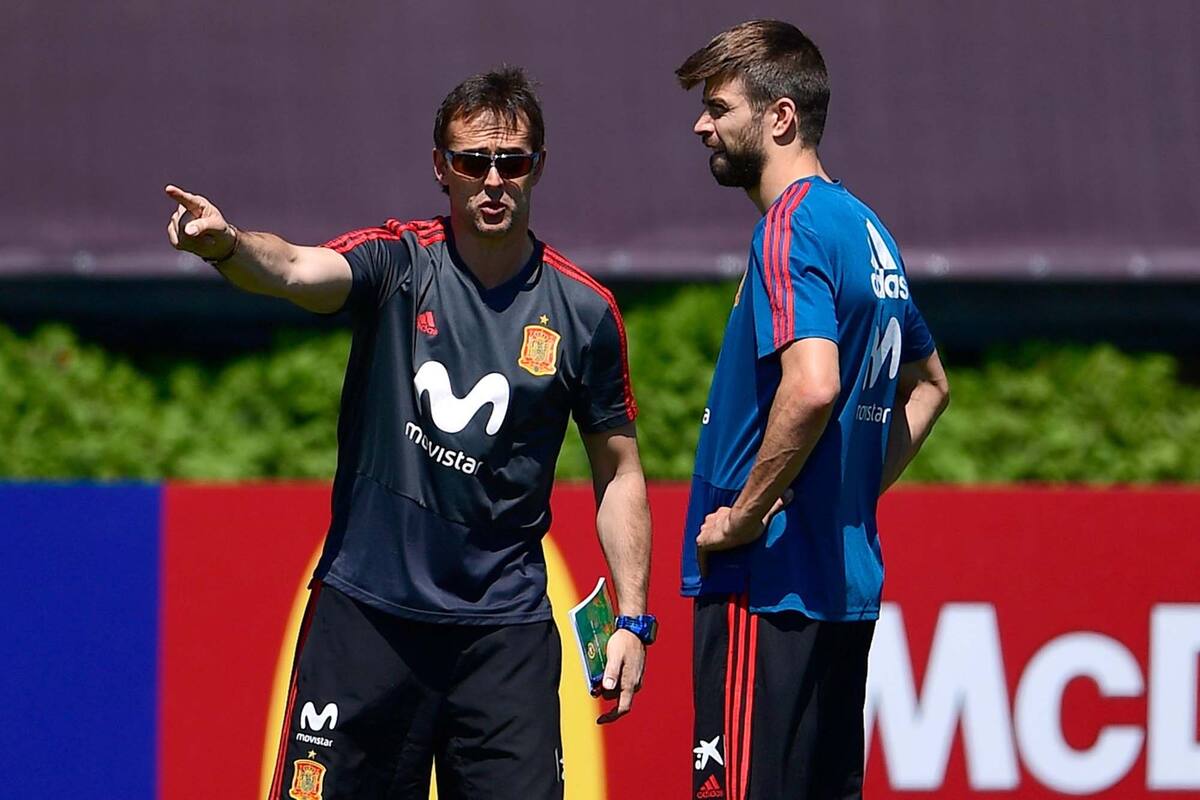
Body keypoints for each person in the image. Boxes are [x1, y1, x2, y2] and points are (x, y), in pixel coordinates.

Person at [164, 67, 656, 800]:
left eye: (512, 162)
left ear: (538, 169)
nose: (493, 180)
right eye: (472, 162)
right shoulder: (398, 262)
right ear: (441, 168)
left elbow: (619, 474)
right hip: (368, 619)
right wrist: (229, 244)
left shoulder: (584, 313)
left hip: (503, 636)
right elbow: (298, 268)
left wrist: (634, 620)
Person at [675, 21, 950, 800]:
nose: (702, 125)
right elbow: (931, 387)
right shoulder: (870, 231)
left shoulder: (789, 223)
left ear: (780, 118)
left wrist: (745, 515)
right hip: (839, 589)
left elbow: (814, 383)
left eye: (719, 107)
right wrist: (848, 498)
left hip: (766, 585)